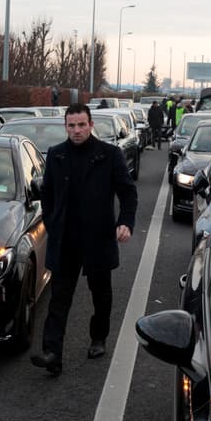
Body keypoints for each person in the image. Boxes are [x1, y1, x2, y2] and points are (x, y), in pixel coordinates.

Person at [31, 103, 138, 376]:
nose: (76, 130)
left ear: (91, 125)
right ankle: (52, 353)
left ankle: (98, 338)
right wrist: (53, 224)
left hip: (98, 239)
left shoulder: (109, 155)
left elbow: (128, 193)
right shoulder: (56, 155)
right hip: (65, 240)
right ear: (65, 126)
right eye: (71, 125)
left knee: (101, 295)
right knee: (59, 299)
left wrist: (125, 222)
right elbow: (48, 195)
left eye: (81, 125)